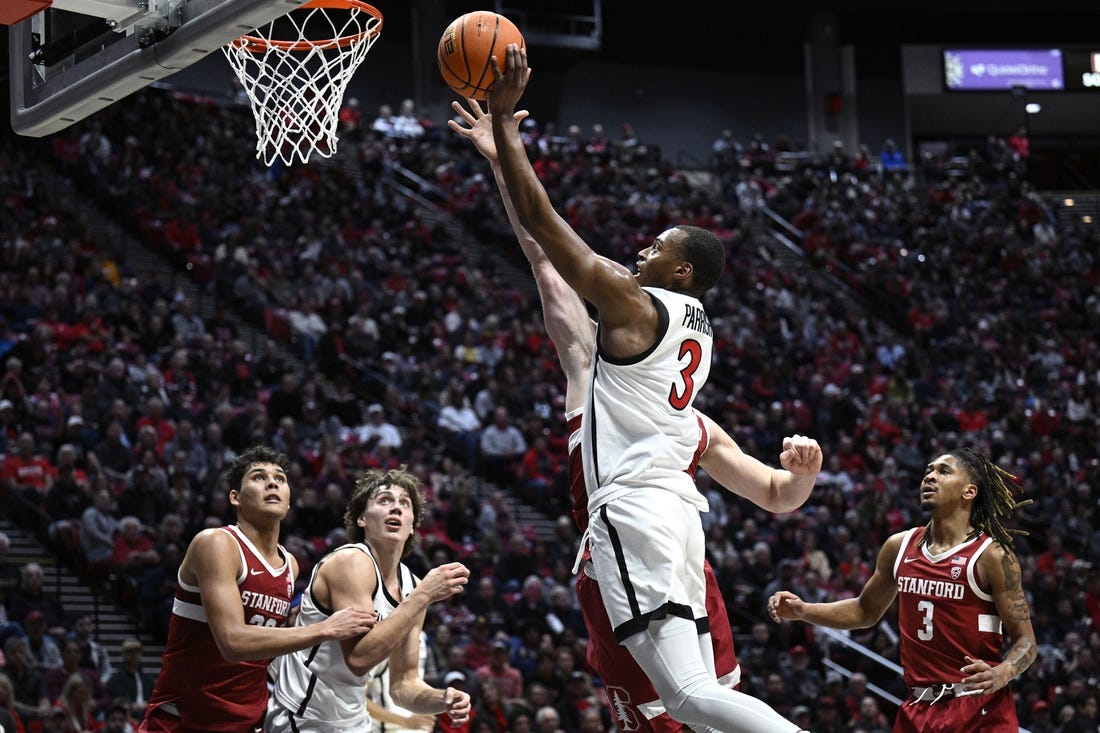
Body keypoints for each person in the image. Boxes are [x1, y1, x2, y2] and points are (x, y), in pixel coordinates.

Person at [458, 85, 820, 731]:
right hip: (681, 526)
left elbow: (548, 242)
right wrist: (805, 473)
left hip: (631, 518)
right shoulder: (685, 386)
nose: (640, 254)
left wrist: (505, 148)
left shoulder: (636, 308)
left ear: (681, 271)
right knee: (704, 701)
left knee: (682, 699)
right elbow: (777, 494)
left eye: (655, 249)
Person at [768, 448, 1038, 732]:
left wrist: (1003, 672)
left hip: (979, 708)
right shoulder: (899, 546)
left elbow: (1026, 641)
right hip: (918, 706)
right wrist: (803, 610)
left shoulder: (993, 555)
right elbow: (864, 611)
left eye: (943, 471)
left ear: (969, 492)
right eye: (928, 472)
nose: (930, 477)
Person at [138, 446, 376, 733]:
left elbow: (266, 643)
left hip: (248, 721)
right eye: (259, 477)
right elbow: (232, 642)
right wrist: (325, 628)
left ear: (288, 502)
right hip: (184, 719)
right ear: (235, 497)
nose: (272, 482)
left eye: (280, 478)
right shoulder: (217, 543)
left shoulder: (290, 564)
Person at [266, 467, 472, 733]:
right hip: (304, 719)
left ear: (412, 526)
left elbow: (403, 686)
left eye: (404, 504)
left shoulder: (413, 586)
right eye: (384, 500)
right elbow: (359, 659)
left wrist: (442, 699)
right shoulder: (351, 561)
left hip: (354, 722)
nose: (395, 508)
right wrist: (423, 596)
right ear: (362, 518)